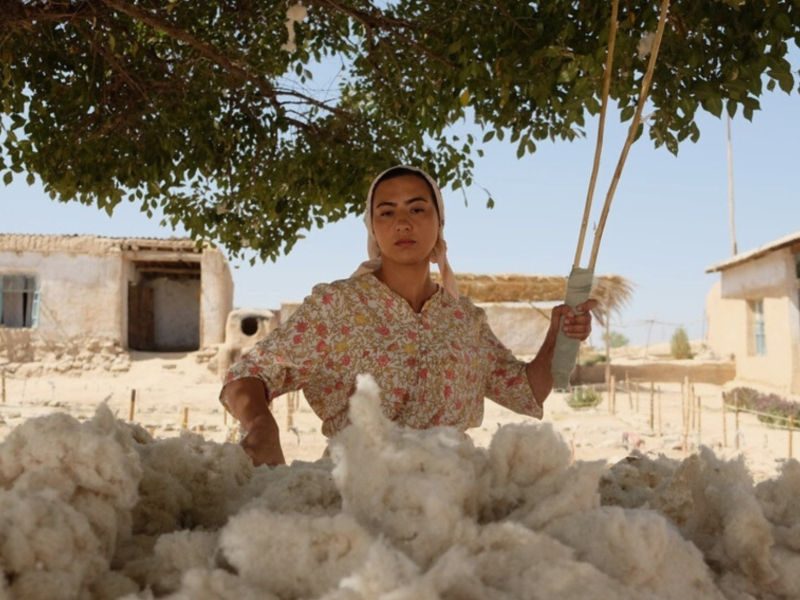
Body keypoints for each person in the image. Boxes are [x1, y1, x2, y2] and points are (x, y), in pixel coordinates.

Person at [220, 165, 597, 466]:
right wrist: (261, 426)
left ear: (439, 223)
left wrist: (558, 335)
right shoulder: (336, 308)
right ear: (373, 228)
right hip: (357, 492)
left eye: (417, 209)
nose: (403, 223)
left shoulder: (465, 321)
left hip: (452, 495)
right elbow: (247, 376)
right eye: (387, 212)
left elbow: (526, 392)